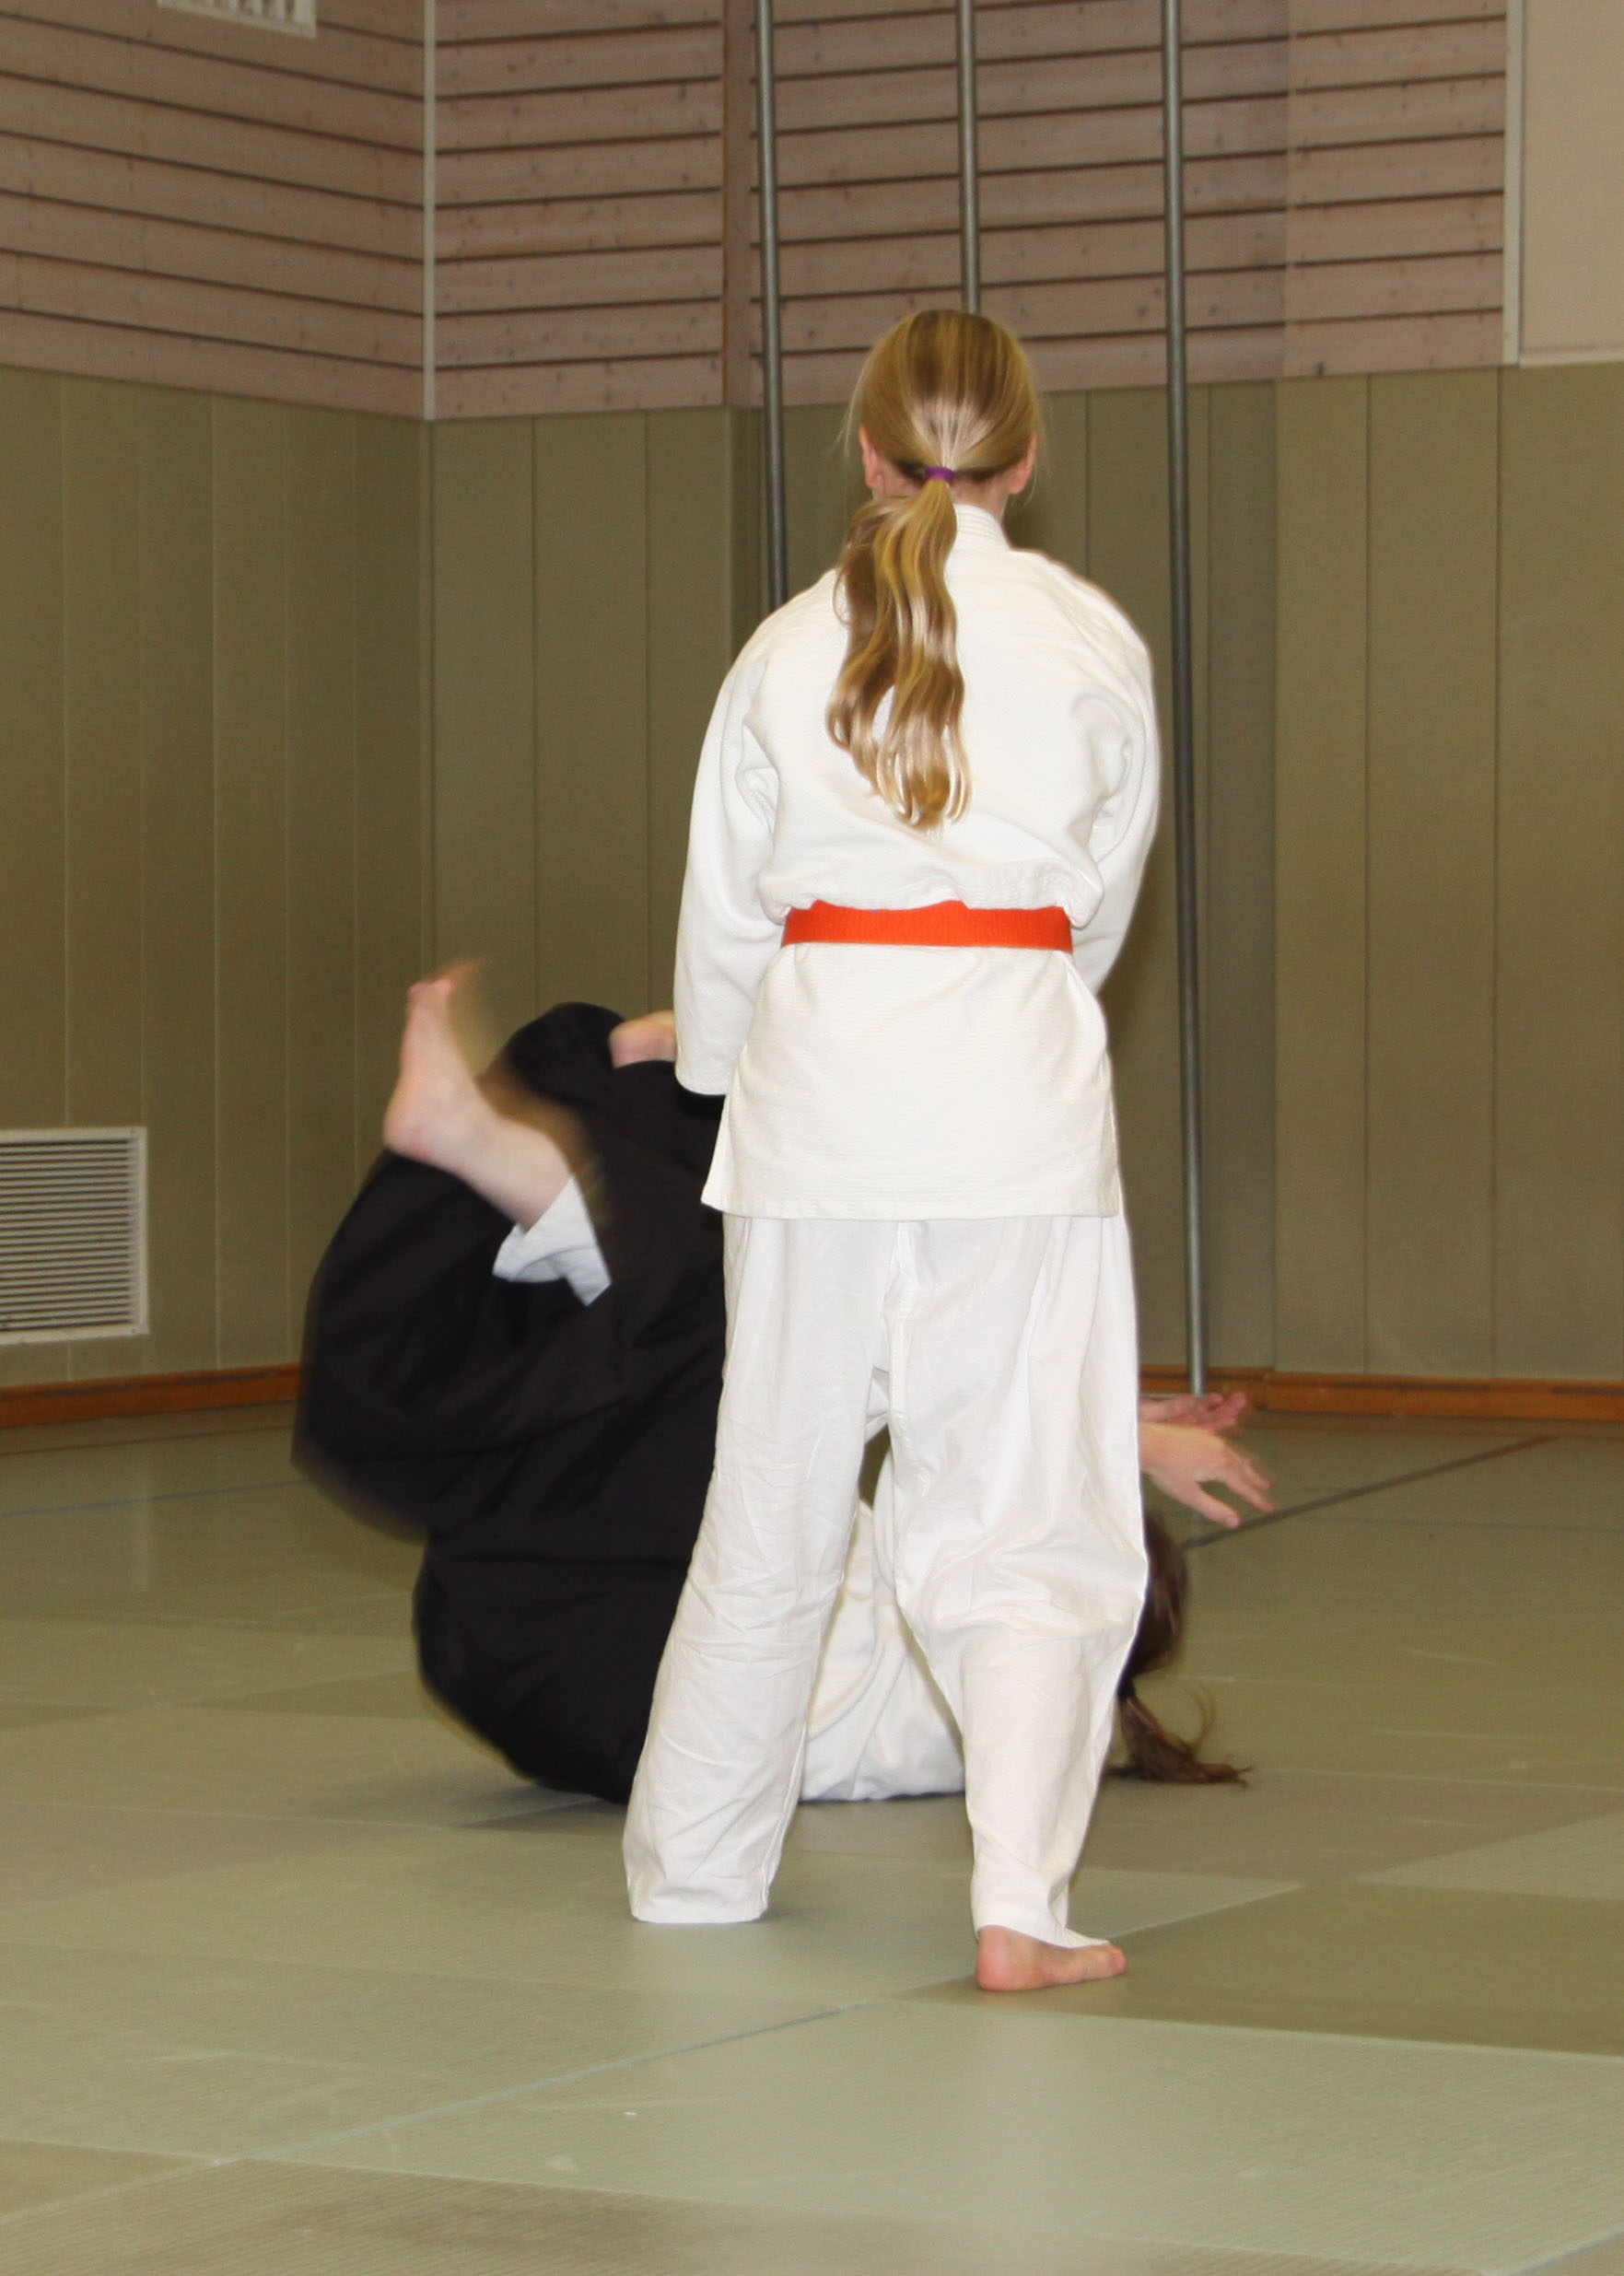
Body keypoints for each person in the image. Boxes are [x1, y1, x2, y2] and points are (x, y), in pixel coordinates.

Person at [621, 309, 1173, 1990]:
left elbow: (724, 920)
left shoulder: (784, 647)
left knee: (772, 1496)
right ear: (1028, 456)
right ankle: (1018, 1905)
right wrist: (1012, 1003)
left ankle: (695, 1874)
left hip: (815, 1097)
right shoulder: (1088, 639)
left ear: (865, 451)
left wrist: (722, 1074)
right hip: (1013, 1095)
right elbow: (1097, 910)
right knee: (1024, 1507)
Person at [298, 989, 1268, 1816]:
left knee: (733, 1310)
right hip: (540, 1616)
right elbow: (925, 1399)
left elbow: (888, 1392)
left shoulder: (990, 1714)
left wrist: (1107, 1437)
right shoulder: (935, 1629)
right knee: (689, 1260)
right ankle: (631, 1111)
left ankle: (555, 1125)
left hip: (618, 1674)